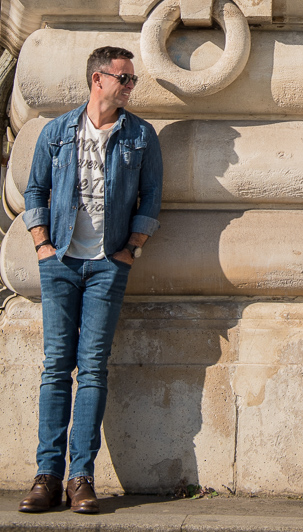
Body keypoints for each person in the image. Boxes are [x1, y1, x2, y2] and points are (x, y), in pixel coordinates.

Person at [18, 46, 162, 515]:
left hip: (107, 265)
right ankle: (47, 476)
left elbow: (152, 197)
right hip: (59, 261)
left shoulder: (141, 135)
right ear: (98, 79)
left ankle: (81, 478)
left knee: (94, 367)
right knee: (57, 365)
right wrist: (41, 244)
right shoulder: (56, 132)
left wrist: (131, 249)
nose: (130, 86)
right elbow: (34, 188)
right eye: (125, 78)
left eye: (132, 79)